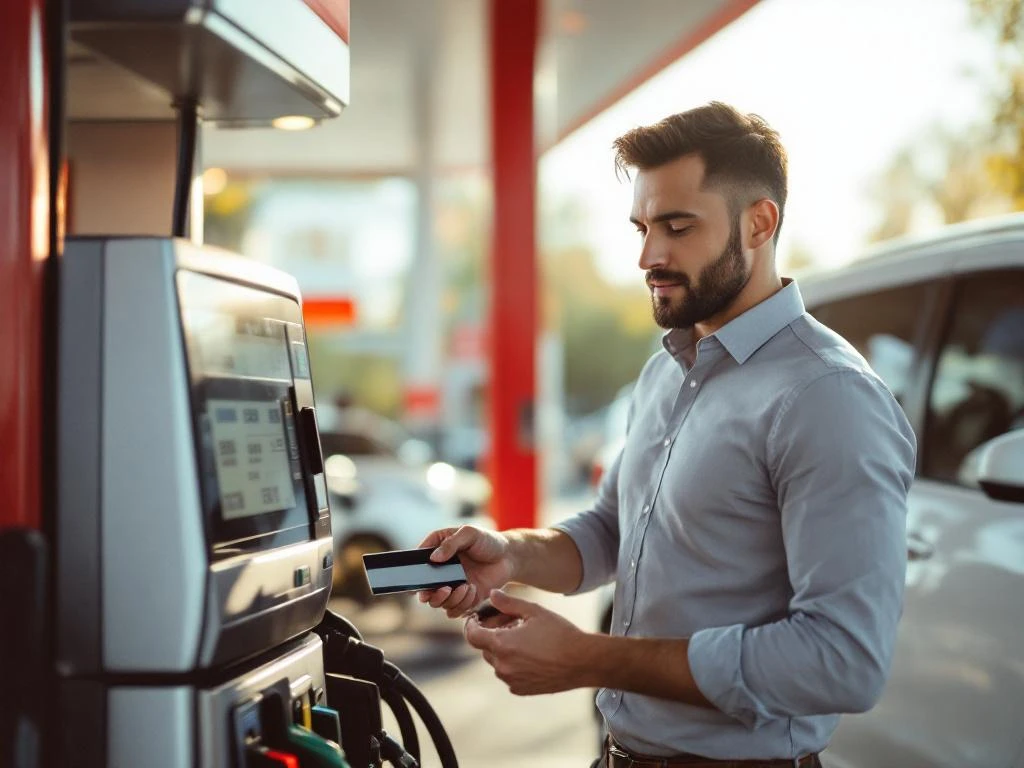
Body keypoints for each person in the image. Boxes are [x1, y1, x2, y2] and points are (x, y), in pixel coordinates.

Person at [417, 102, 917, 768]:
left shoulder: (827, 398)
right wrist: (509, 554)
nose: (649, 255)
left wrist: (586, 659)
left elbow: (842, 661)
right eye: (643, 226)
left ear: (759, 223)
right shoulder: (666, 373)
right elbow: (613, 530)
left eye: (677, 227)